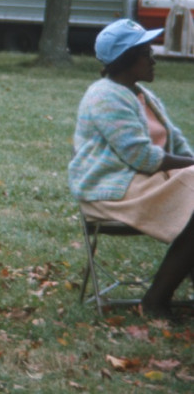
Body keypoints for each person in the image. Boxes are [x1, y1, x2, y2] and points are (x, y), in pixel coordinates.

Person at [69, 19, 194, 319]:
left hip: (141, 183)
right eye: (146, 53)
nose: (153, 60)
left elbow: (177, 146)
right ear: (126, 60)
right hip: (110, 190)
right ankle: (155, 300)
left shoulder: (140, 94)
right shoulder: (105, 96)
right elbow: (142, 158)